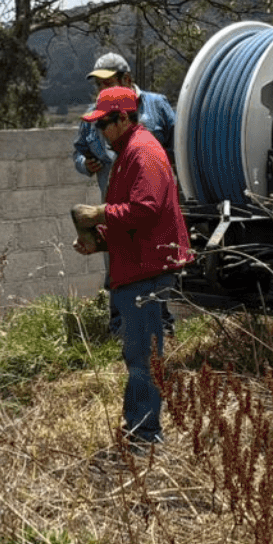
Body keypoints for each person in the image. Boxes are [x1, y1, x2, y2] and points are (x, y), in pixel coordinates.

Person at [74, 86, 193, 450]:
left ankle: (146, 436)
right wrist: (100, 241)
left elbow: (146, 208)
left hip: (147, 267)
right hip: (138, 262)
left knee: (143, 356)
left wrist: (99, 214)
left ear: (123, 118)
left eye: (104, 124)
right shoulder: (129, 152)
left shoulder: (142, 151)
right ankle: (140, 428)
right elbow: (132, 219)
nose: (99, 132)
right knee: (139, 354)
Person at [72, 52, 175, 197]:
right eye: (98, 84)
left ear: (126, 80)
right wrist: (85, 164)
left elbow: (179, 149)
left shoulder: (156, 105)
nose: (102, 89)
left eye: (108, 83)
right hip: (113, 203)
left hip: (153, 197)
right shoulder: (92, 114)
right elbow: (79, 152)